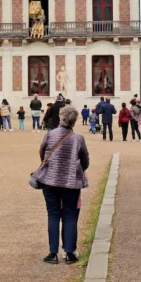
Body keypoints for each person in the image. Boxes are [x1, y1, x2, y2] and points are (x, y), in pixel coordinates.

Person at [34, 106, 90, 264]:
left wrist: (49, 164)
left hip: (50, 180)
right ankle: (70, 253)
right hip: (70, 182)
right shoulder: (78, 139)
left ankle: (53, 253)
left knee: (53, 215)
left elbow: (42, 152)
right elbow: (85, 161)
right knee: (70, 215)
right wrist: (78, 168)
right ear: (74, 121)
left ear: (61, 117)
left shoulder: (50, 134)